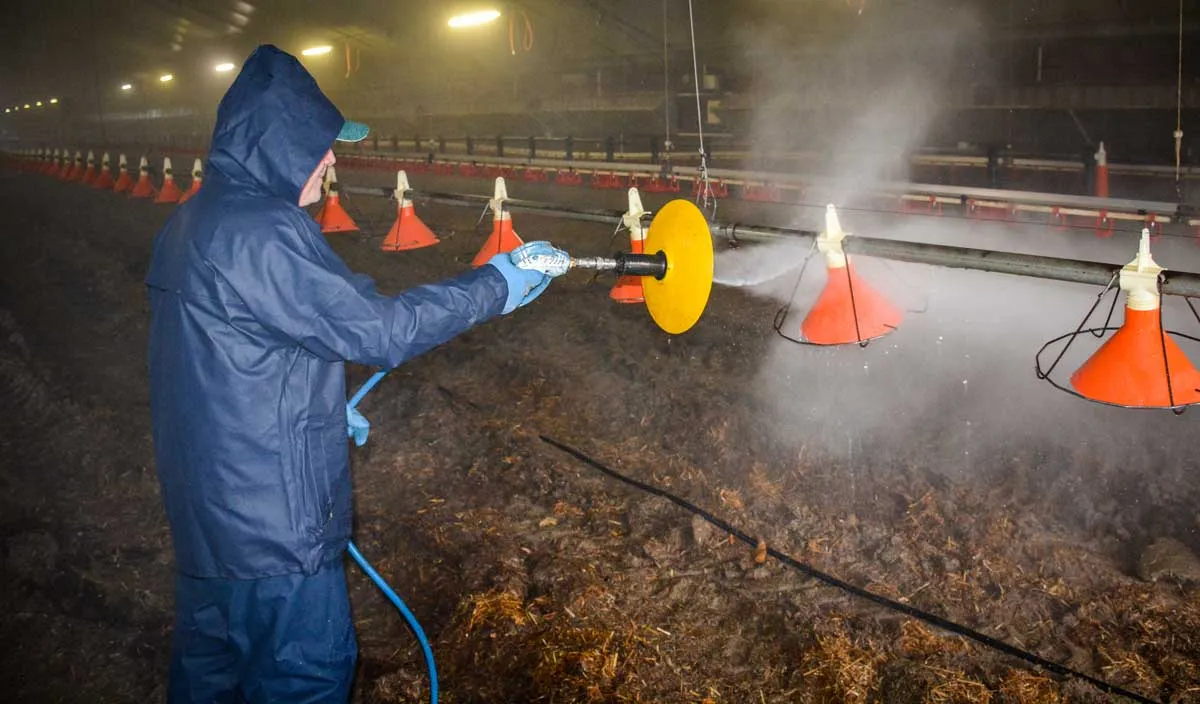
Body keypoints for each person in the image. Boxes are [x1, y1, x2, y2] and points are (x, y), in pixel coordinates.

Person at [145, 44, 566, 702]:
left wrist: (310, 405)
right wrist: (496, 285)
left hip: (211, 524)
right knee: (300, 678)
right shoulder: (263, 231)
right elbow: (380, 330)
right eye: (322, 144)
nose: (334, 158)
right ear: (280, 145)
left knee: (214, 678)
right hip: (275, 533)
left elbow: (220, 358)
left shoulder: (194, 221)